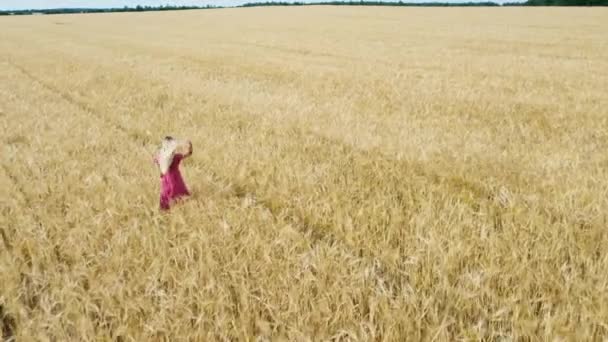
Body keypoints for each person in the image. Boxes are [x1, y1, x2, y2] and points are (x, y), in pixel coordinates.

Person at [153, 136, 193, 210]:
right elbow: (189, 153)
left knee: (166, 195)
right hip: (175, 179)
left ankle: (165, 211)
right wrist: (190, 146)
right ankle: (176, 210)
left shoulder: (162, 157)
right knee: (178, 195)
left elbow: (156, 162)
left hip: (166, 178)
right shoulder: (176, 157)